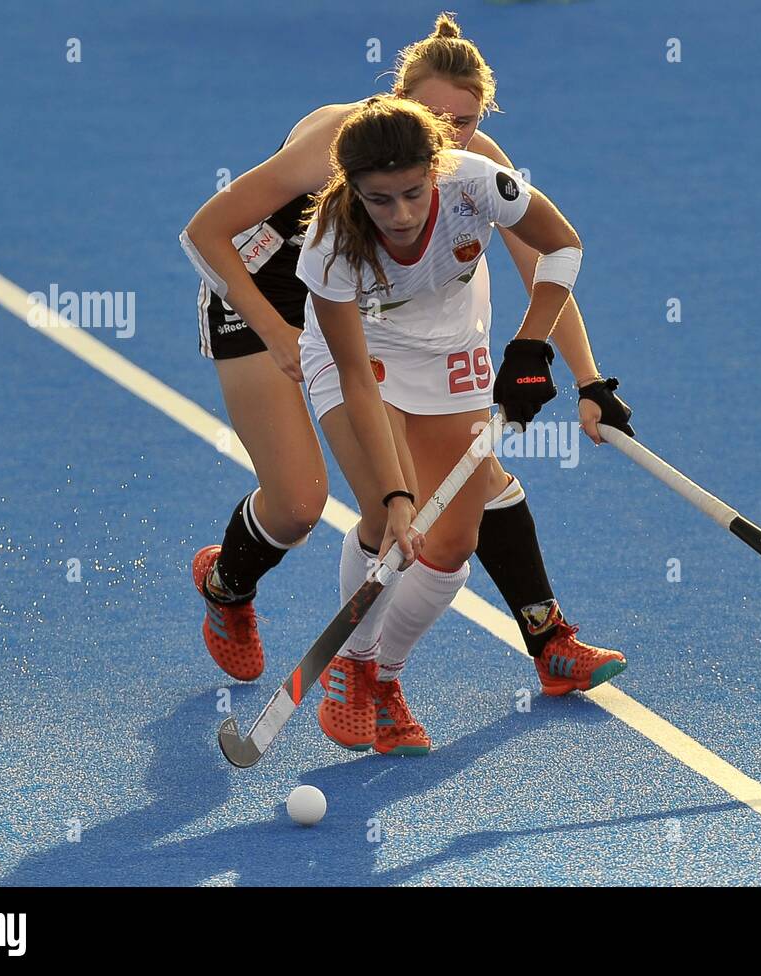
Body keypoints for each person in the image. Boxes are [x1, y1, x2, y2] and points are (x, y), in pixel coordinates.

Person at [179, 14, 634, 719]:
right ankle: (227, 586)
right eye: (433, 115)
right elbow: (206, 232)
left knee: (470, 479)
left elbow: (545, 262)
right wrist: (275, 331)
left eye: (465, 121)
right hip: (262, 291)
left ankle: (544, 642)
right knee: (300, 504)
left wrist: (588, 380)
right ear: (397, 98)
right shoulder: (337, 142)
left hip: (371, 303)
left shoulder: (466, 165)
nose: (448, 134)